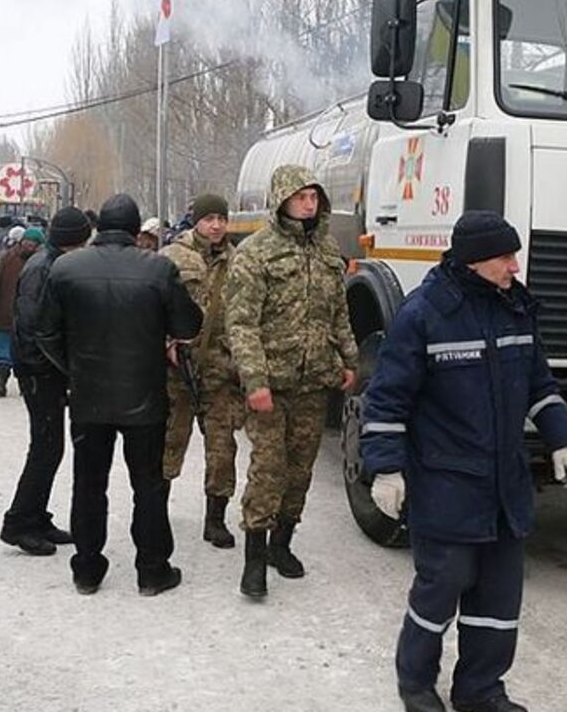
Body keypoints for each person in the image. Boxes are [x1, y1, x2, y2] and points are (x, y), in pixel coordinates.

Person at [359, 211, 567, 712]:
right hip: (447, 481)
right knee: (444, 583)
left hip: (505, 482)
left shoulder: (515, 309)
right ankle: (415, 680)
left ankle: (480, 688)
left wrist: (563, 438)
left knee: (499, 596)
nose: (514, 265)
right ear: (476, 260)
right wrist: (386, 470)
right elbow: (387, 401)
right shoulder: (424, 314)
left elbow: (539, 383)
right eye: (506, 256)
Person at [37, 193, 202, 596]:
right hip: (145, 396)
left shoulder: (66, 268)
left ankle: (87, 569)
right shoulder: (159, 269)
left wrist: (74, 368)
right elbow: (190, 325)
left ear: (98, 228)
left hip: (88, 396)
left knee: (88, 484)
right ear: (134, 230)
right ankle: (152, 569)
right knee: (148, 485)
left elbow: (44, 332)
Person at [224, 164, 358, 599]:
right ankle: (254, 560)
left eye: (314, 196)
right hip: (271, 384)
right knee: (268, 469)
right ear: (281, 197)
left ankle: (282, 545)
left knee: (300, 471)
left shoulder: (326, 251)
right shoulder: (257, 252)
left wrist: (349, 360)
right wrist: (255, 380)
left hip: (313, 383)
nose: (309, 202)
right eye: (301, 195)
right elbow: (241, 323)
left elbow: (339, 312)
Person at [0, 207, 93, 555]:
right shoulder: (45, 268)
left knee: (50, 447)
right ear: (77, 239)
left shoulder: (50, 262)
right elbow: (37, 328)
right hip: (39, 371)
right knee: (44, 447)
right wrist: (64, 368)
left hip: (43, 369)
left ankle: (37, 516)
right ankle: (18, 522)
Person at [160, 193, 240, 549]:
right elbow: (153, 305)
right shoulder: (172, 257)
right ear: (196, 221)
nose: (217, 225)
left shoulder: (238, 262)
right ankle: (155, 510)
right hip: (179, 371)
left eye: (221, 219)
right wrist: (166, 343)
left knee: (223, 448)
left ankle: (216, 519)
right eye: (209, 219)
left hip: (221, 371)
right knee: (168, 443)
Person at [0, 227, 43, 397]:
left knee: (2, 348)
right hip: (29, 314)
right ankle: (26, 384)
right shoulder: (41, 261)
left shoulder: (7, 256)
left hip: (4, 311)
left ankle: (0, 379)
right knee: (25, 350)